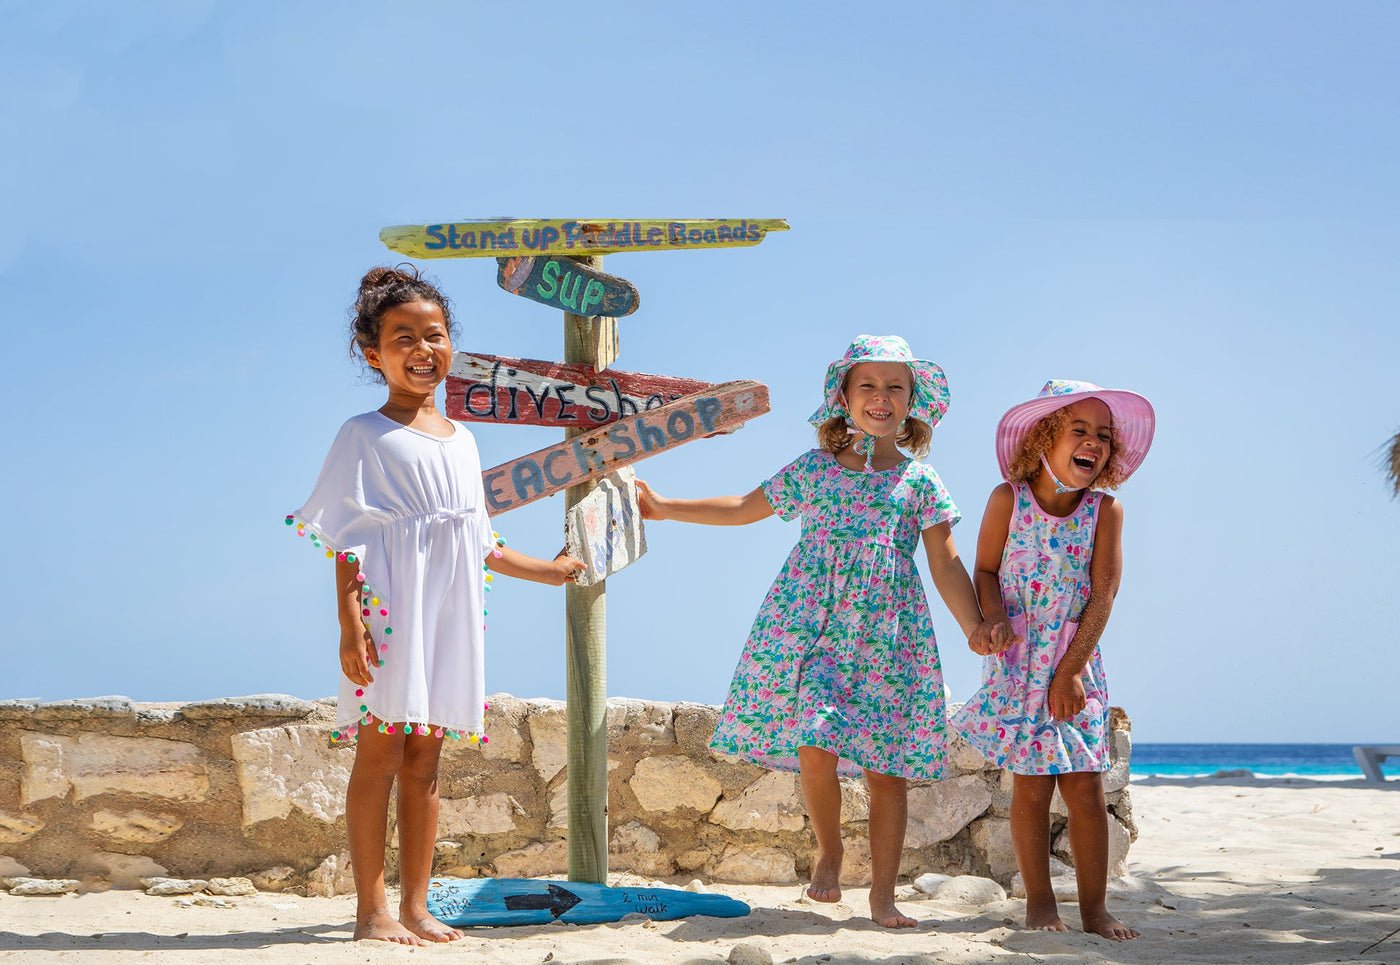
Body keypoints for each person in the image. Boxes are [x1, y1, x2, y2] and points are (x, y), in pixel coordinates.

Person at [637, 335, 1002, 929]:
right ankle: (829, 851)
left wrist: (974, 626)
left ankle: (884, 895)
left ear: (912, 402)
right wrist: (666, 506)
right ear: (843, 396)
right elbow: (742, 507)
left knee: (888, 768)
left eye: (894, 387)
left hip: (889, 636)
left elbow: (946, 565)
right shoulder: (816, 470)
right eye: (868, 385)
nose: (881, 397)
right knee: (814, 739)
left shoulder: (921, 483)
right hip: (813, 625)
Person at [287, 266, 583, 945]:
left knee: (427, 761)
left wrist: (551, 570)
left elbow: (479, 540)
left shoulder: (463, 439)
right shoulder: (363, 434)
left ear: (451, 345)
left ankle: (418, 904)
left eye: (435, 335)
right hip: (391, 613)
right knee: (380, 753)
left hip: (449, 616)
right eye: (403, 339)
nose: (422, 349)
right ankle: (370, 909)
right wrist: (349, 625)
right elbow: (345, 537)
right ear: (374, 353)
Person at [951, 379, 1155, 941]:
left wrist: (1069, 672)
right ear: (1044, 436)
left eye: (1104, 436)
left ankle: (1094, 910)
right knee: (1033, 786)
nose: (1094, 442)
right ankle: (1040, 905)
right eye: (1079, 430)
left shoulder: (1104, 511)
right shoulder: (1007, 499)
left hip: (1076, 662)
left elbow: (1104, 594)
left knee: (1085, 787)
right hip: (1017, 663)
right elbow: (986, 570)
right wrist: (991, 622)